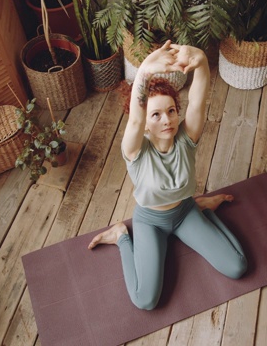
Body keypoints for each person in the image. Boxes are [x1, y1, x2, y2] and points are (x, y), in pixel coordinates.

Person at [88, 41, 247, 310]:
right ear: (146, 121)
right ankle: (120, 237)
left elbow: (198, 100)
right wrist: (145, 71)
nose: (167, 120)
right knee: (145, 300)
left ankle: (204, 208)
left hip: (185, 212)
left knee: (238, 267)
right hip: (150, 221)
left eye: (171, 111)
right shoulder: (135, 150)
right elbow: (135, 120)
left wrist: (201, 61)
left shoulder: (186, 139)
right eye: (156, 114)